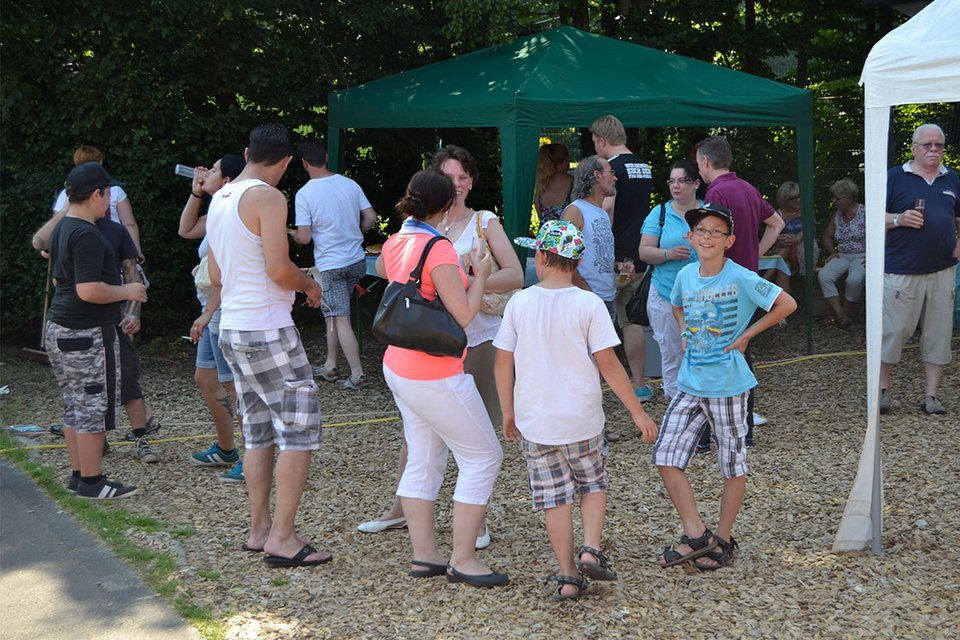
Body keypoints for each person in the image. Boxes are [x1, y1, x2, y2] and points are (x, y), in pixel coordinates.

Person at [357, 145, 523, 549]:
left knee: (458, 438)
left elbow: (516, 274)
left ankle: (458, 531)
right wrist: (460, 278)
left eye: (464, 176)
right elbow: (393, 272)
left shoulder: (479, 221)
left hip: (466, 344)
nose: (459, 184)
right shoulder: (422, 236)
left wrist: (456, 280)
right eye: (451, 178)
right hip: (435, 349)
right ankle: (415, 521)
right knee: (453, 446)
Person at [494, 220, 658, 600]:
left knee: (555, 499)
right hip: (583, 419)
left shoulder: (519, 301)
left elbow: (503, 362)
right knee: (593, 484)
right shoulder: (588, 304)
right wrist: (637, 412)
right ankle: (590, 548)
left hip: (536, 421)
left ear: (539, 255)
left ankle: (568, 575)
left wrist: (507, 410)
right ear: (578, 260)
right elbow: (610, 365)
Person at [375, 168, 507, 588]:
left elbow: (390, 274)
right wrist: (481, 274)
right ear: (447, 203)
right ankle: (463, 558)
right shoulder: (440, 247)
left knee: (424, 457)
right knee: (484, 457)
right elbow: (465, 314)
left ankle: (425, 555)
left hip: (398, 363)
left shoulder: (398, 240)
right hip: (436, 370)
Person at [206, 123, 330, 567]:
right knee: (298, 429)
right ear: (284, 162)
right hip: (267, 328)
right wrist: (309, 285)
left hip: (233, 328)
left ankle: (259, 529)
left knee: (257, 430)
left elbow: (217, 276)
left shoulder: (220, 196)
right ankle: (283, 537)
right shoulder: (268, 197)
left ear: (247, 151)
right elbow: (280, 270)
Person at [653, 203, 796, 570]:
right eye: (701, 231)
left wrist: (747, 335)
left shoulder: (741, 277)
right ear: (690, 237)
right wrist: (685, 332)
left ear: (730, 240)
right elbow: (677, 306)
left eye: (716, 231)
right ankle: (698, 534)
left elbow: (786, 303)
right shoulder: (685, 275)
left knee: (731, 464)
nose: (707, 237)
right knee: (666, 456)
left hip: (729, 386)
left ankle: (724, 538)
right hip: (689, 382)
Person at [43, 162, 148, 498]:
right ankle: (92, 482)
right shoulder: (87, 233)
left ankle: (79, 476)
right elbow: (88, 290)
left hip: (61, 327)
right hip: (84, 332)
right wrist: (127, 292)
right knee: (90, 406)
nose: (110, 203)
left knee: (75, 404)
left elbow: (63, 280)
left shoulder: (63, 227)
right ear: (97, 194)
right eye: (108, 195)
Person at [695, 135, 785, 444]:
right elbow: (777, 223)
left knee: (709, 354)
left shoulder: (717, 193)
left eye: (698, 163)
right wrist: (755, 255)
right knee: (740, 353)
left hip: (721, 284)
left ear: (706, 161)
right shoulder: (747, 188)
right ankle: (742, 431)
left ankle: (706, 435)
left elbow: (711, 240)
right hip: (745, 283)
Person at [880, 123, 959, 415]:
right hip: (902, 269)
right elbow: (873, 216)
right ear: (913, 148)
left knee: (939, 333)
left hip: (942, 269)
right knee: (894, 330)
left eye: (939, 145)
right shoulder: (896, 177)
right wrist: (899, 219)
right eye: (927, 145)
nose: (934, 150)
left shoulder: (952, 179)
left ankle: (931, 396)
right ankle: (882, 389)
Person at [178, 154, 247, 481]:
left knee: (233, 385)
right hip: (209, 307)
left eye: (215, 170)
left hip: (221, 308)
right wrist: (196, 192)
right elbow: (186, 230)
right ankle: (225, 447)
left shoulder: (232, 212)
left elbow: (223, 271)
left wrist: (207, 314)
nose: (206, 172)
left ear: (228, 181)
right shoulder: (217, 210)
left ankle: (253, 458)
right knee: (206, 379)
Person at [293, 138, 378, 390]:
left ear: (304, 163)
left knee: (340, 318)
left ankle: (357, 374)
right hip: (355, 260)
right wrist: (356, 232)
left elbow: (305, 237)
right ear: (326, 157)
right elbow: (371, 217)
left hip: (331, 264)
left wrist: (295, 236)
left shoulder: (305, 194)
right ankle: (330, 365)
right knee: (331, 312)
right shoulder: (349, 184)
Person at [590, 115, 655, 405]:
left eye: (594, 142)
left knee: (598, 320)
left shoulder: (611, 169)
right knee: (632, 321)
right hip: (641, 249)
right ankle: (639, 384)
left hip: (616, 255)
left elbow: (608, 207)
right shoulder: (644, 166)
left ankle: (599, 385)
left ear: (602, 141)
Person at [637, 160, 702, 401]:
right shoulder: (660, 213)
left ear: (696, 183)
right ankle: (677, 405)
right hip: (665, 293)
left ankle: (701, 401)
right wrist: (668, 254)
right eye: (672, 181)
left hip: (702, 295)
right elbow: (644, 251)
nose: (676, 186)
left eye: (682, 180)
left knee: (702, 351)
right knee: (671, 352)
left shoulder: (708, 211)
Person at [52, 145, 144, 261]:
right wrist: (135, 251)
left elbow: (56, 224)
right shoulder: (115, 190)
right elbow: (129, 223)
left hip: (78, 251)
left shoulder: (67, 194)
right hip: (114, 249)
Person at [818, 178, 866, 330]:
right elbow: (826, 236)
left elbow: (881, 234)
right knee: (824, 275)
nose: (834, 201)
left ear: (850, 198)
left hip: (863, 255)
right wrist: (833, 252)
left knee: (854, 280)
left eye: (837, 198)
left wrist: (874, 254)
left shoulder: (865, 212)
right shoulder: (837, 215)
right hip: (843, 254)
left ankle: (845, 313)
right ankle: (840, 316)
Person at [766, 181, 817, 293]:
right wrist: (778, 238)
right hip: (784, 252)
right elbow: (770, 236)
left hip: (805, 249)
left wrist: (796, 238)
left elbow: (807, 229)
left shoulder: (808, 210)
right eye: (792, 198)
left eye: (799, 196)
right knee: (783, 268)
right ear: (784, 200)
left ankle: (766, 277)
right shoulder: (776, 214)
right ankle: (787, 307)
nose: (798, 200)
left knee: (788, 244)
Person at [534, 143, 573, 226]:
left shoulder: (541, 185)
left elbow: (540, 216)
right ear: (565, 161)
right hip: (567, 236)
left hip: (544, 237)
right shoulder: (573, 183)